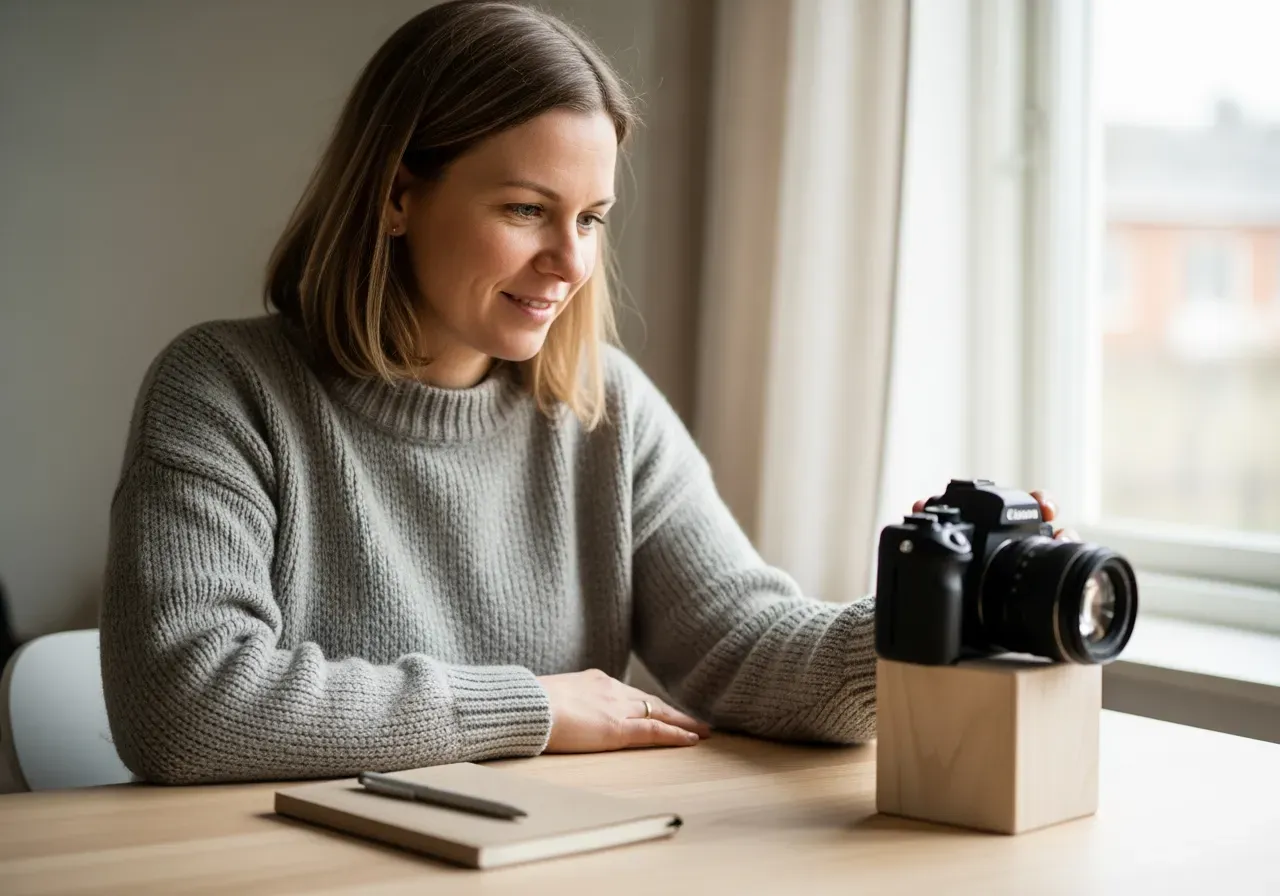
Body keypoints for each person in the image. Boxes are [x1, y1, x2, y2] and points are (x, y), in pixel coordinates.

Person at [99, 0, 1073, 786]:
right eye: (527, 209)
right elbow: (187, 706)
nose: (569, 262)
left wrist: (936, 611)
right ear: (396, 195)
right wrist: (532, 705)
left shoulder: (605, 409)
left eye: (591, 218)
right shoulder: (225, 391)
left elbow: (744, 644)